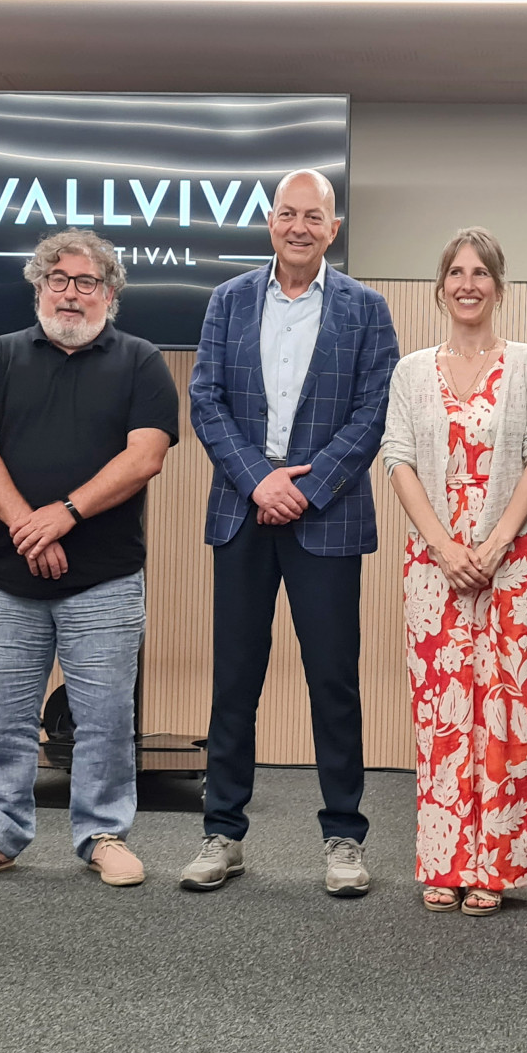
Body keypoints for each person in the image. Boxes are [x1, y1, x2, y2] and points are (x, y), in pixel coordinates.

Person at [0, 230, 178, 888]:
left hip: (106, 578)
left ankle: (103, 835)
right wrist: (28, 528)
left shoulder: (142, 361)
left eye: (86, 281)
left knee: (105, 721)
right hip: (7, 575)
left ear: (110, 294)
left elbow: (145, 457)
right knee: (3, 720)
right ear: (39, 288)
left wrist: (63, 514)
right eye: (58, 280)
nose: (71, 294)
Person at [181, 169, 399, 896]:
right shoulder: (228, 300)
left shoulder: (366, 309)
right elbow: (206, 400)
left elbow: (374, 411)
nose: (299, 226)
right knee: (235, 679)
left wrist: (304, 487)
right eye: (287, 214)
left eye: (313, 216)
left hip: (326, 517)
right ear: (270, 222)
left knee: (333, 681)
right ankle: (223, 833)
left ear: (333, 229)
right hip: (243, 510)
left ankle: (344, 837)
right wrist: (260, 481)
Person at [381, 227, 527, 915]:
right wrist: (444, 547)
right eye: (456, 272)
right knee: (443, 710)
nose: (467, 283)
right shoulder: (410, 371)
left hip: (513, 557)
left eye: (480, 272)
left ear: (498, 285)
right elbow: (397, 457)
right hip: (434, 564)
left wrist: (494, 544)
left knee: (506, 711)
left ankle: (497, 866)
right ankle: (446, 861)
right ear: (440, 287)